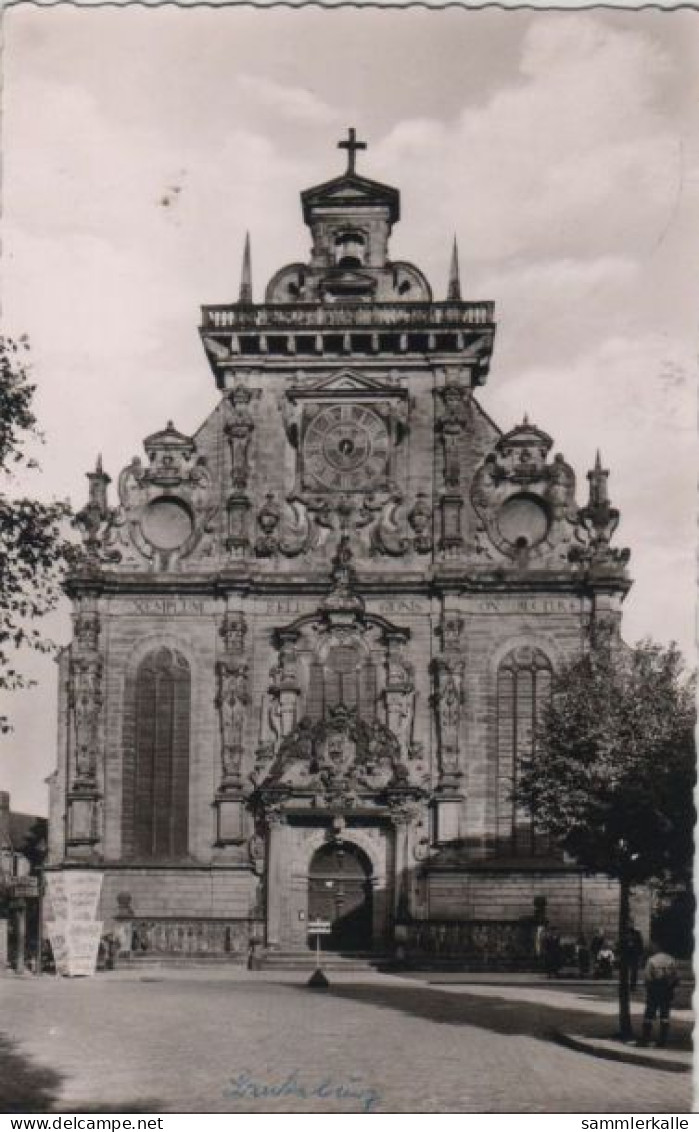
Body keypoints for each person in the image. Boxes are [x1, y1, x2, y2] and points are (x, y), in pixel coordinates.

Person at [638, 943, 680, 1048]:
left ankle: (645, 1039)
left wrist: (649, 987)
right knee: (665, 1015)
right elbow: (676, 977)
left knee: (649, 1014)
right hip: (666, 988)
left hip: (654, 988)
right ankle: (662, 1040)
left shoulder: (652, 960)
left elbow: (648, 977)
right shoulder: (671, 960)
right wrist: (671, 987)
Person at [620, 924, 645, 990]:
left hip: (634, 954)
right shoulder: (623, 933)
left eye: (631, 923)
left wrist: (640, 954)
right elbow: (621, 943)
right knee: (624, 970)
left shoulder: (637, 933)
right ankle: (624, 985)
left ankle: (633, 985)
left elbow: (640, 943)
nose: (629, 925)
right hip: (626, 954)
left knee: (634, 971)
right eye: (628, 923)